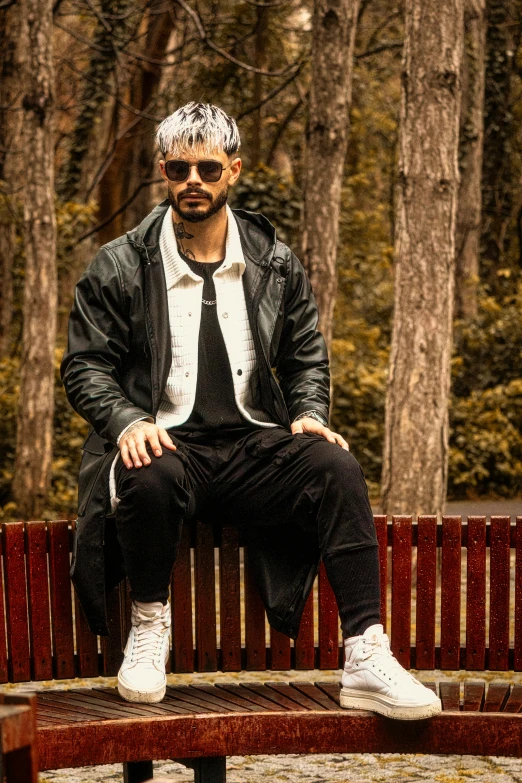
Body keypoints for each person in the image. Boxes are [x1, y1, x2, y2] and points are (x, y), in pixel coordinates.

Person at [60, 101, 441, 720]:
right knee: (145, 467)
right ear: (164, 170)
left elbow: (305, 357)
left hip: (250, 451)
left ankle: (367, 656)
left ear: (233, 170)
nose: (193, 182)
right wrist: (127, 421)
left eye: (208, 169)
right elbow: (84, 365)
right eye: (180, 168)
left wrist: (310, 409)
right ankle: (150, 628)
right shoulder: (121, 264)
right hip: (171, 453)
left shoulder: (274, 263)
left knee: (334, 467)